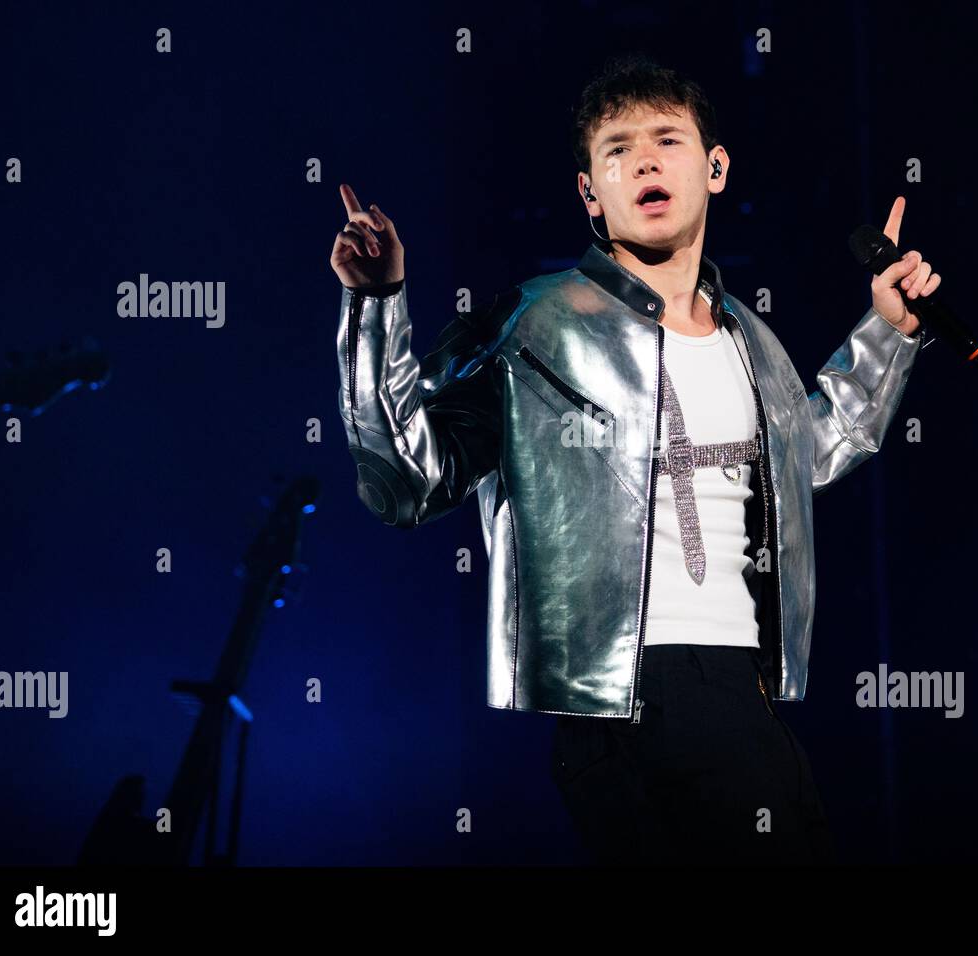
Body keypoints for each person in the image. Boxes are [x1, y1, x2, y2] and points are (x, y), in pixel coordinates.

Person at [328, 54, 940, 866]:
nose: (645, 160)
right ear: (589, 191)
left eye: (667, 139)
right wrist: (376, 306)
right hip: (626, 698)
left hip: (748, 695)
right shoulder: (535, 325)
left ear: (715, 168)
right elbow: (406, 477)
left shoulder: (749, 342)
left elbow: (814, 454)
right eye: (616, 149)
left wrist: (888, 333)